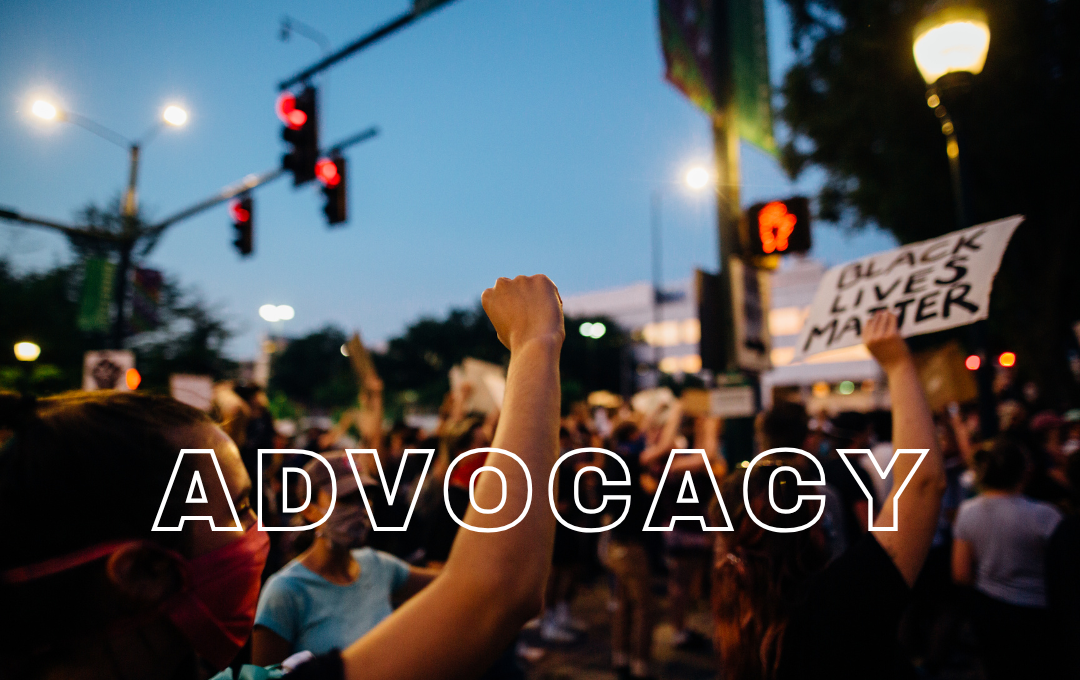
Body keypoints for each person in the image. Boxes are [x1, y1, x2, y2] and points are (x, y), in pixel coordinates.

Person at [0, 273, 565, 680]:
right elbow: (493, 593)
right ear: (143, 572)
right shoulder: (287, 600)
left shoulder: (376, 571)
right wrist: (534, 343)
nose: (260, 532)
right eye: (240, 506)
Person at [712, 310, 944, 680]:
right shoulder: (842, 601)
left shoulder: (739, 622)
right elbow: (924, 485)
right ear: (815, 528)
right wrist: (897, 364)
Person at [252, 453, 438, 665]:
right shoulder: (285, 592)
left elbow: (452, 584)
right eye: (346, 499)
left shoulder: (379, 567)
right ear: (309, 509)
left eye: (365, 497)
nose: (360, 509)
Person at [951, 437, 1064, 679]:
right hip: (1038, 612)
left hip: (989, 610)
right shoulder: (1046, 515)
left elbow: (961, 574)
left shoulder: (968, 511)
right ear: (1026, 470)